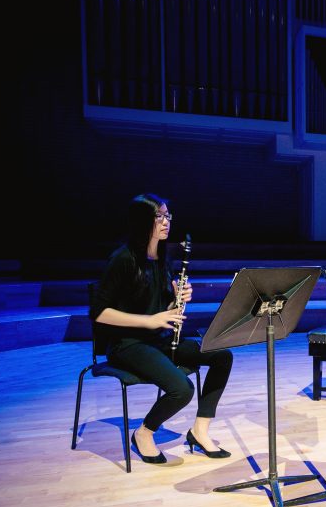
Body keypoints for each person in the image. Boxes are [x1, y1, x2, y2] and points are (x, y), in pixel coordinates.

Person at [91, 193, 234, 464]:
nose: (166, 221)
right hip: (128, 344)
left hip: (158, 339)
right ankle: (144, 433)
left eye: (168, 215)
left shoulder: (161, 258)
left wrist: (177, 298)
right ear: (143, 220)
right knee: (183, 389)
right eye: (159, 216)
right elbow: (98, 313)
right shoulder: (122, 259)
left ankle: (199, 431)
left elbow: (159, 306)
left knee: (221, 355)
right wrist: (151, 320)